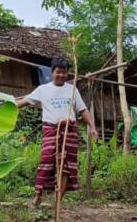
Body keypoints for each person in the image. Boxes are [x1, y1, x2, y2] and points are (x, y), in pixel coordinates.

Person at [17, 57, 98, 208]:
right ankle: (37, 196)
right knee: (46, 163)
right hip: (51, 130)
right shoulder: (43, 90)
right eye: (58, 72)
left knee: (66, 166)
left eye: (64, 72)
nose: (61, 75)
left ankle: (57, 203)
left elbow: (83, 110)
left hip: (70, 131)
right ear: (52, 72)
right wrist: (5, 108)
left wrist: (92, 127)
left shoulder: (72, 89)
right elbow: (23, 102)